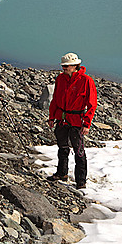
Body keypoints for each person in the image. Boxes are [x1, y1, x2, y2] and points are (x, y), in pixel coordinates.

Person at [48, 53, 97, 190]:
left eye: (66, 66)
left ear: (75, 66)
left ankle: (81, 181)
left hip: (77, 120)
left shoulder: (86, 80)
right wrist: (52, 117)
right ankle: (62, 173)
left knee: (79, 151)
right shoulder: (60, 79)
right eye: (63, 66)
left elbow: (92, 104)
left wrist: (86, 124)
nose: (64, 68)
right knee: (62, 147)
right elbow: (55, 99)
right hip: (62, 119)